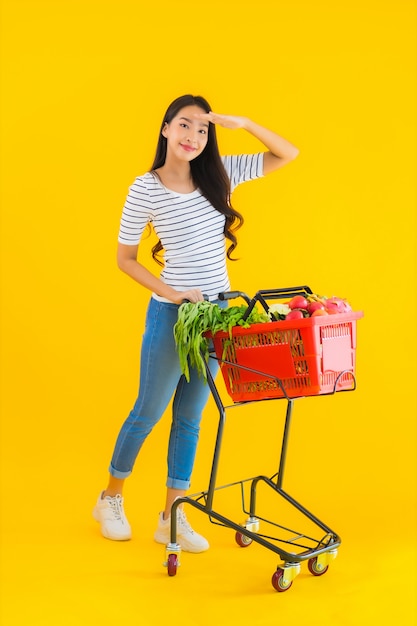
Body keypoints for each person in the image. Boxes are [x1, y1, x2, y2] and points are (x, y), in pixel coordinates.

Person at [93, 94, 299, 552]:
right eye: (185, 126)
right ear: (166, 129)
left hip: (217, 316)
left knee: (191, 418)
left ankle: (172, 516)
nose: (193, 137)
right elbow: (125, 259)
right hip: (172, 315)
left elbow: (287, 153)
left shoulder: (220, 174)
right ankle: (110, 497)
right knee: (149, 411)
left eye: (202, 130)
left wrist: (244, 121)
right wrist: (172, 293)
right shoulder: (144, 187)